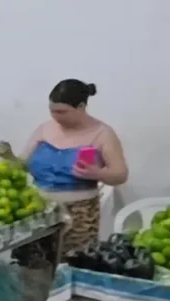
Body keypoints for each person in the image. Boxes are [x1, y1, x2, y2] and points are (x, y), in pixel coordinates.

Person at [18, 79, 127, 256]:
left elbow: (120, 174)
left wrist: (97, 173)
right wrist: (8, 159)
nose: (56, 117)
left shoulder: (102, 133)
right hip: (38, 211)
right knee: (34, 265)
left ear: (81, 106)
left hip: (80, 215)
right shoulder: (44, 129)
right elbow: (22, 163)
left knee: (73, 263)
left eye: (62, 112)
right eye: (52, 111)